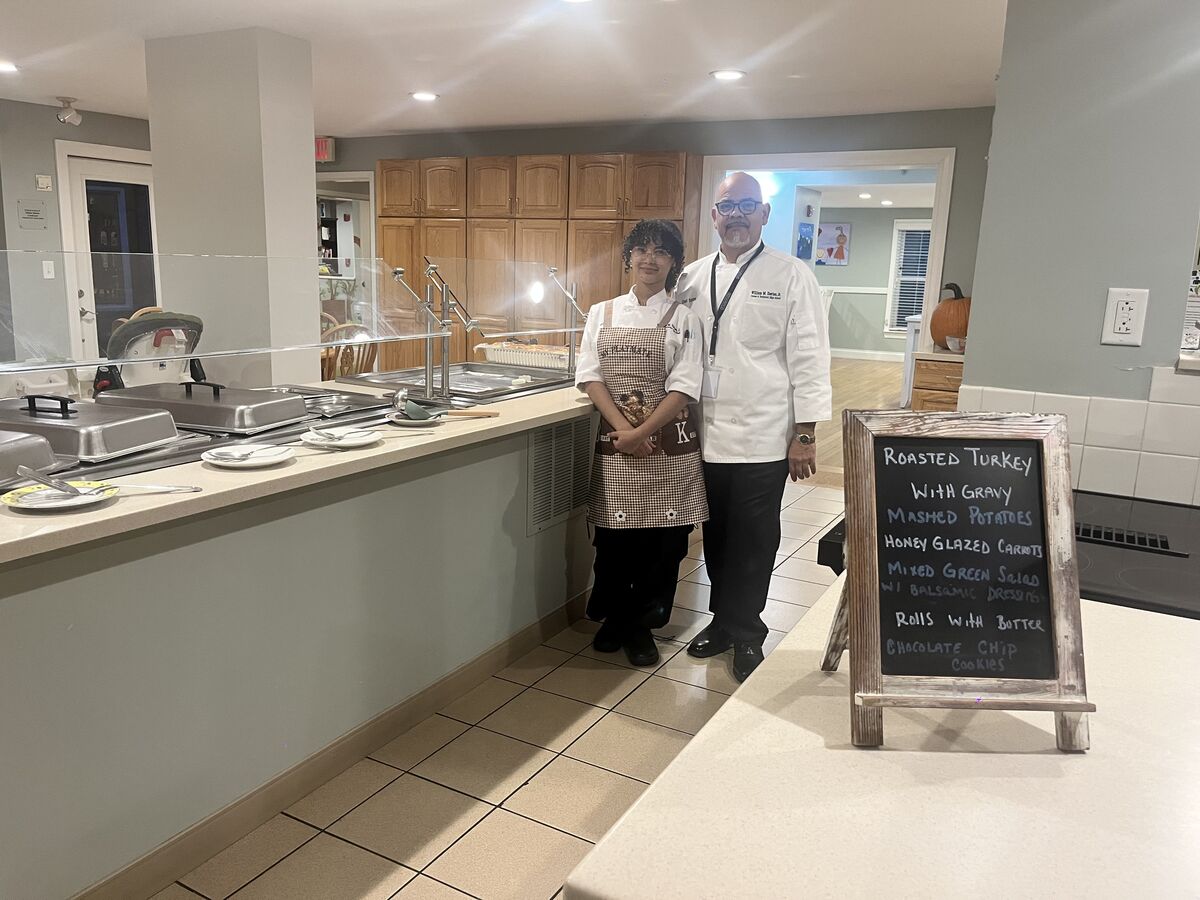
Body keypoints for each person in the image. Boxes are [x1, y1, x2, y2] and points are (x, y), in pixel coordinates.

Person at [674, 172, 832, 682]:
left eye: (747, 205)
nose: (736, 214)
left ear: (763, 214)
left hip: (766, 434)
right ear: (715, 216)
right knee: (716, 536)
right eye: (727, 206)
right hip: (707, 432)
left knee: (754, 537)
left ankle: (747, 631)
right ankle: (722, 621)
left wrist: (804, 434)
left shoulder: (791, 274)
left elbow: (809, 357)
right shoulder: (694, 277)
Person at [575, 219, 707, 667]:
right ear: (629, 256)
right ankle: (616, 618)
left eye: (662, 251)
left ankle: (640, 626)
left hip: (667, 445)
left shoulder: (685, 318)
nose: (650, 259)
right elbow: (590, 376)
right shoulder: (601, 313)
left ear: (674, 262)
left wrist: (642, 432)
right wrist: (624, 433)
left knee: (662, 544)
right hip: (618, 443)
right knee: (614, 539)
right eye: (642, 250)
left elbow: (686, 385)